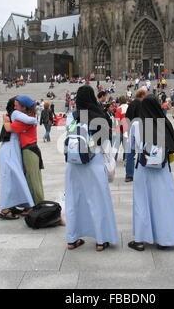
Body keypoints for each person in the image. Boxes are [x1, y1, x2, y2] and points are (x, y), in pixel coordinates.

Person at [64, 85, 119, 252]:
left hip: (73, 164)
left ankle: (72, 239)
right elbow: (106, 144)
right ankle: (101, 241)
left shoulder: (71, 117)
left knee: (74, 200)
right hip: (93, 162)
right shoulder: (99, 116)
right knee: (97, 200)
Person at [128, 96, 174, 251]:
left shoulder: (137, 124)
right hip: (162, 169)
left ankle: (140, 240)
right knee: (163, 202)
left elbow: (131, 146)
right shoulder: (164, 123)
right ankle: (164, 239)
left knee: (142, 202)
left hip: (143, 169)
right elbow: (172, 146)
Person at [0, 97, 37, 220]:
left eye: (17, 105)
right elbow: (32, 120)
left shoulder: (11, 115)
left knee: (14, 178)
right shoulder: (15, 114)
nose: (16, 107)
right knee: (9, 178)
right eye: (14, 105)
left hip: (10, 148)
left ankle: (11, 205)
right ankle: (4, 209)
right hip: (10, 149)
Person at [4, 96, 45, 204]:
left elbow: (9, 128)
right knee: (32, 179)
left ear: (24, 107)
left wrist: (5, 120)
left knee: (33, 180)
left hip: (29, 150)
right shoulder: (27, 116)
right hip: (31, 149)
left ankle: (39, 206)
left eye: (17, 105)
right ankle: (35, 205)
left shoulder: (25, 120)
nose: (15, 107)